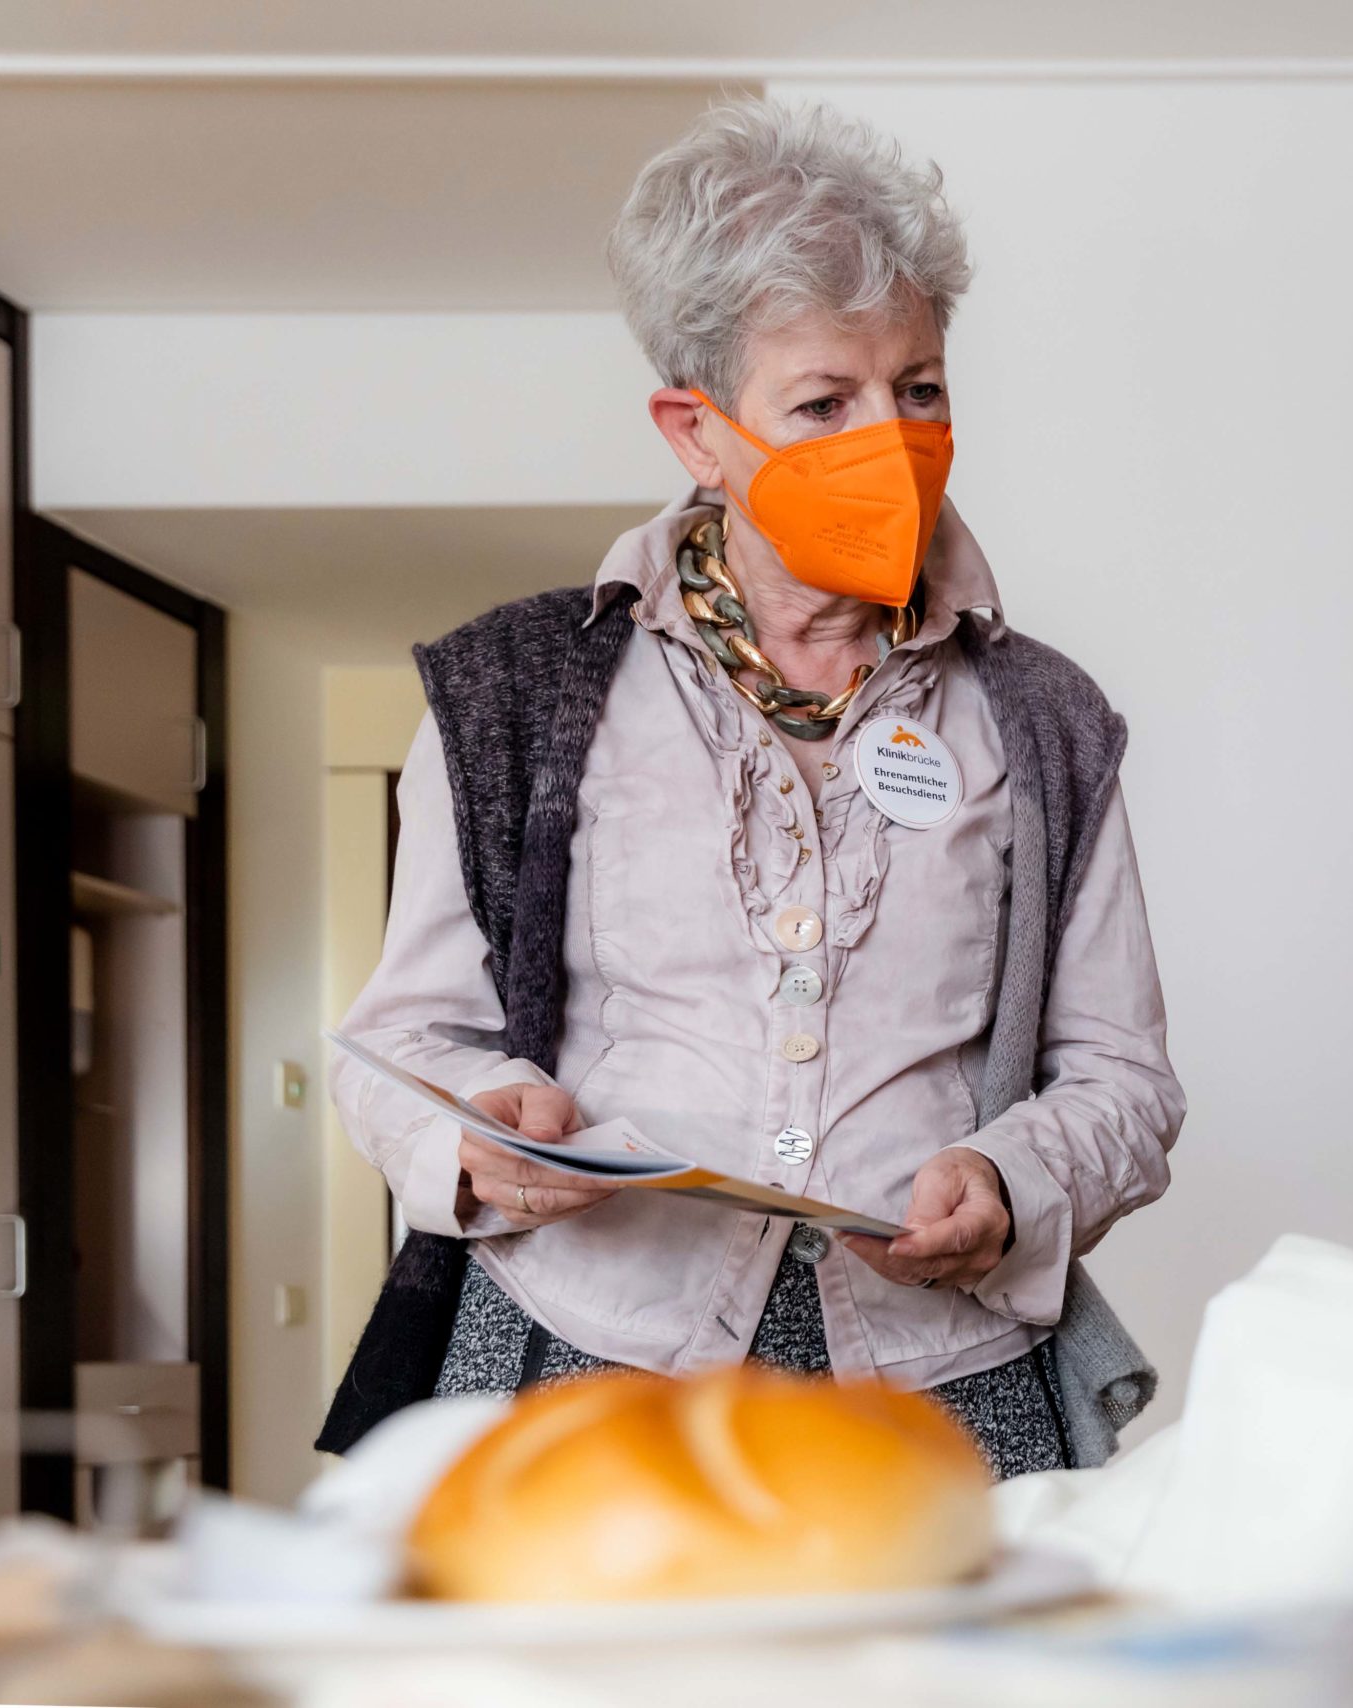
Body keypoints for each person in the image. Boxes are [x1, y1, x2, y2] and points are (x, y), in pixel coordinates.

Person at [319, 99, 1184, 1479]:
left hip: (938, 1383)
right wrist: (483, 1135)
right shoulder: (519, 691)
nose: (889, 438)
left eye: (921, 388)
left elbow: (1124, 1080)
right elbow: (405, 1042)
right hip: (583, 1361)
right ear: (696, 431)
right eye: (824, 404)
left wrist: (1013, 1181)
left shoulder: (1047, 718)